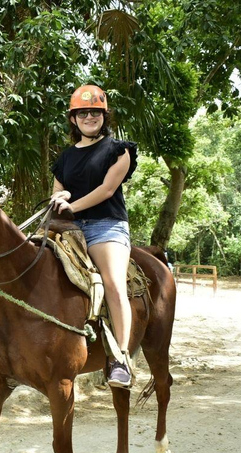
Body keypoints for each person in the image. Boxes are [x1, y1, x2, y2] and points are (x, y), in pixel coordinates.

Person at [50, 84, 138, 388]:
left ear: (104, 116)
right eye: (82, 113)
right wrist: (62, 199)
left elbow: (106, 190)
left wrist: (71, 204)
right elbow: (57, 192)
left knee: (113, 283)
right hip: (70, 228)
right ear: (74, 119)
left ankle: (121, 359)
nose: (89, 116)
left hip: (106, 225)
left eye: (95, 112)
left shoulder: (119, 150)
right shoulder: (64, 158)